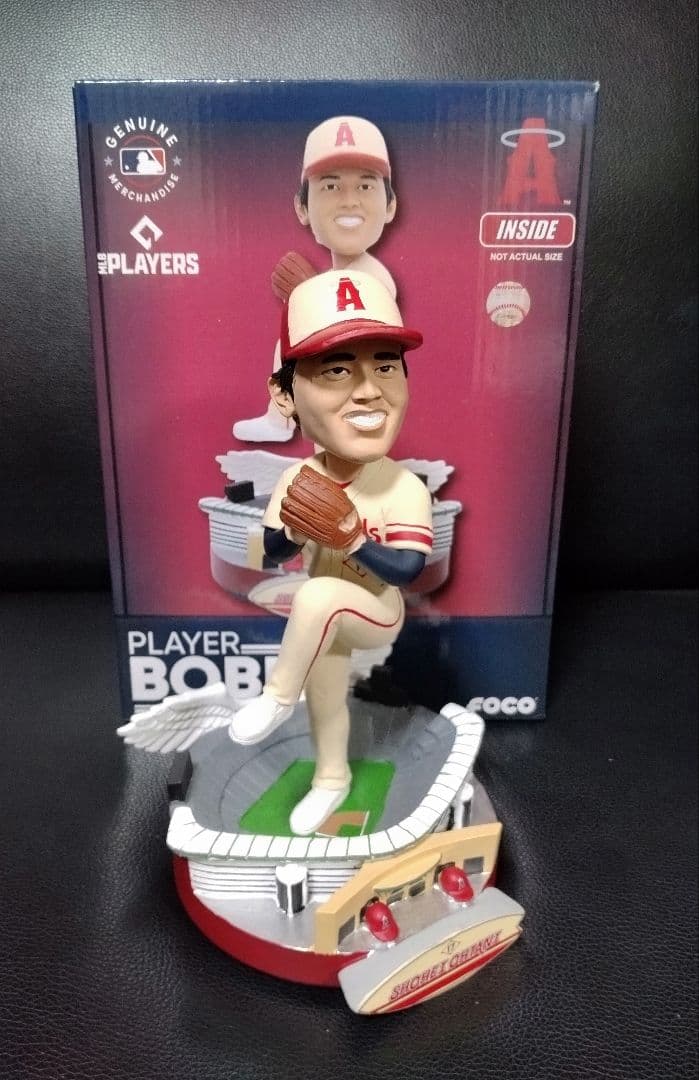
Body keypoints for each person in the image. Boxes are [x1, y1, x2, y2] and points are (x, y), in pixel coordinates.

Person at [228, 268, 432, 834]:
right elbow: (273, 553)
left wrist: (352, 538)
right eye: (337, 369)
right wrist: (296, 530)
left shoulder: (401, 485)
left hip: (377, 609)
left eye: (385, 365)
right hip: (320, 626)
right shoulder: (298, 478)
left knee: (318, 594)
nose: (368, 389)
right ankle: (331, 779)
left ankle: (276, 697)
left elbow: (407, 569)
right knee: (326, 700)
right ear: (285, 395)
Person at [233, 116, 399, 443]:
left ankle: (287, 422)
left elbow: (357, 333)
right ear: (302, 207)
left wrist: (308, 292)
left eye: (365, 186)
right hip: (336, 396)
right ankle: (279, 419)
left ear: (390, 206)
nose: (349, 200)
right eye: (330, 186)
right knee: (290, 339)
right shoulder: (340, 274)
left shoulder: (375, 274)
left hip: (362, 397)